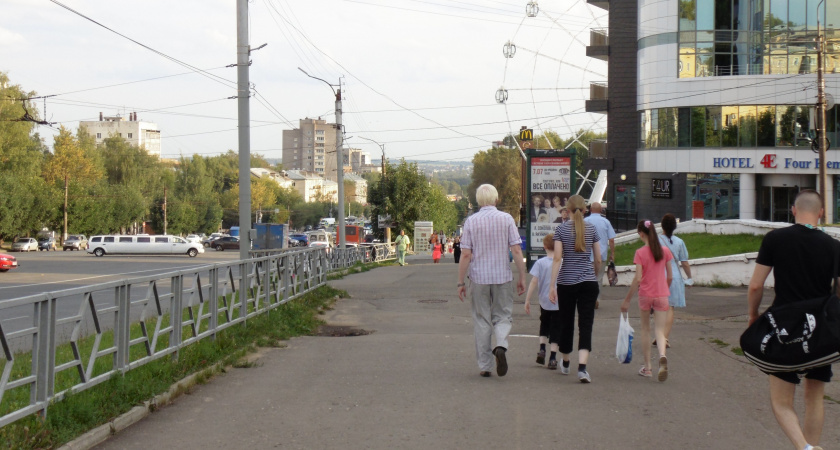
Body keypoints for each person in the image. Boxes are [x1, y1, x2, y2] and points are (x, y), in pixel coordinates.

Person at [747, 189, 836, 450]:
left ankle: (804, 447)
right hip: (819, 330)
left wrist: (753, 315)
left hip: (782, 328)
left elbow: (755, 286)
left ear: (793, 211)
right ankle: (812, 445)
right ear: (821, 213)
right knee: (815, 397)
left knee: (781, 401)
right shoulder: (834, 246)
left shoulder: (775, 239)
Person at [458, 184, 527, 377]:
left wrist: (460, 282)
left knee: (481, 320)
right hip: (502, 276)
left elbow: (465, 254)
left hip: (479, 278)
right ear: (496, 199)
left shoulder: (471, 221)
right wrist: (522, 276)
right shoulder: (507, 219)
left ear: (478, 201)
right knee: (503, 315)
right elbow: (516, 250)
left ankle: (485, 366)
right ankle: (501, 345)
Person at [548, 194, 601, 383]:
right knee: (586, 324)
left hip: (566, 283)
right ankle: (583, 368)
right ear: (585, 210)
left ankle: (566, 361)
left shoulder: (561, 230)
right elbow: (598, 258)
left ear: (567, 210)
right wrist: (594, 276)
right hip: (588, 282)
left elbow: (557, 258)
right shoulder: (592, 229)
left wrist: (552, 285)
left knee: (566, 322)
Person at [620, 220, 673, 382]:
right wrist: (663, 289)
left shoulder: (640, 253)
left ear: (641, 234)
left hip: (645, 294)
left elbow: (638, 279)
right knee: (660, 330)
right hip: (662, 294)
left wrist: (627, 300)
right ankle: (662, 355)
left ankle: (648, 367)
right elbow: (670, 276)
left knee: (645, 329)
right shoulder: (665, 251)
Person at [524, 234, 560, 369]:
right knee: (556, 328)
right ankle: (553, 357)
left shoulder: (540, 263)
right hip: (558, 302)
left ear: (544, 246)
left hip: (544, 300)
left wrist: (527, 300)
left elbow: (534, 281)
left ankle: (542, 349)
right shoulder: (561, 262)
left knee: (544, 324)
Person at [658, 213, 693, 346]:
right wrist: (689, 277)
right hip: (674, 277)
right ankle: (664, 337)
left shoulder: (655, 240)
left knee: (659, 308)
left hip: (658, 276)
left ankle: (659, 335)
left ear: (662, 226)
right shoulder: (679, 242)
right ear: (674, 227)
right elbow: (684, 262)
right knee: (670, 307)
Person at [585, 202, 616, 310]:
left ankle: (588, 299)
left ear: (590, 210)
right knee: (598, 278)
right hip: (601, 255)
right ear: (601, 210)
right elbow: (611, 239)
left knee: (587, 278)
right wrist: (612, 253)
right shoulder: (605, 222)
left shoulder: (585, 221)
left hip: (587, 255)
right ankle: (596, 299)